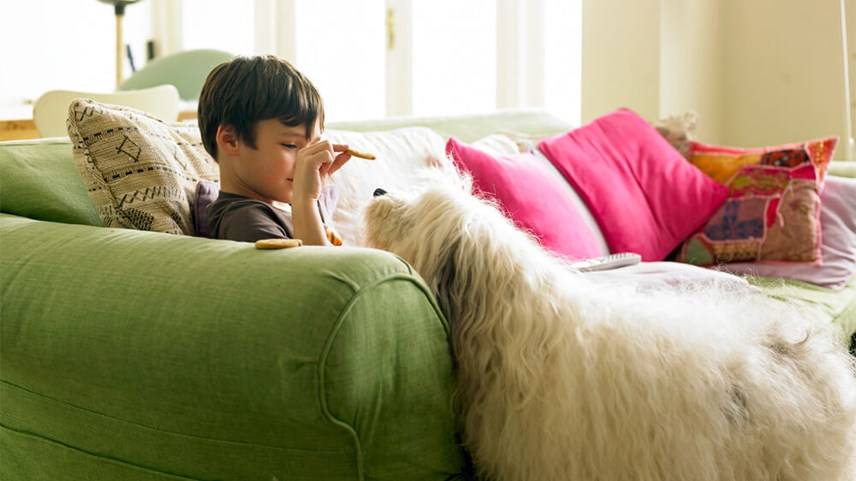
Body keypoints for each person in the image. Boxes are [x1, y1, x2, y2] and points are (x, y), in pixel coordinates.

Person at [197, 55, 348, 246]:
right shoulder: (245, 221)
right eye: (291, 145)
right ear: (231, 140)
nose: (306, 161)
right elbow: (315, 273)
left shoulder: (283, 210)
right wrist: (305, 200)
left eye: (312, 147)